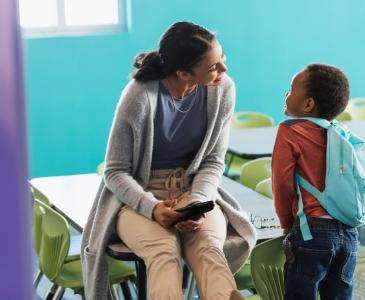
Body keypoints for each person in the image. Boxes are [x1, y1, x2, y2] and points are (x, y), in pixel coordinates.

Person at [80, 21, 257, 300]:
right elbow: (115, 172)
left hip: (193, 191)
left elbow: (212, 161)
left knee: (209, 248)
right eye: (213, 67)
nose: (224, 70)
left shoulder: (223, 89)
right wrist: (152, 208)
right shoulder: (139, 95)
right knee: (164, 251)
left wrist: (197, 203)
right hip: (140, 197)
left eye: (222, 59)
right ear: (184, 73)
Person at [271, 63, 357, 300]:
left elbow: (282, 185)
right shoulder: (341, 133)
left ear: (308, 104)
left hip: (312, 232)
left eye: (291, 89)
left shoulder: (290, 131)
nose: (287, 94)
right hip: (349, 233)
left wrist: (287, 224)